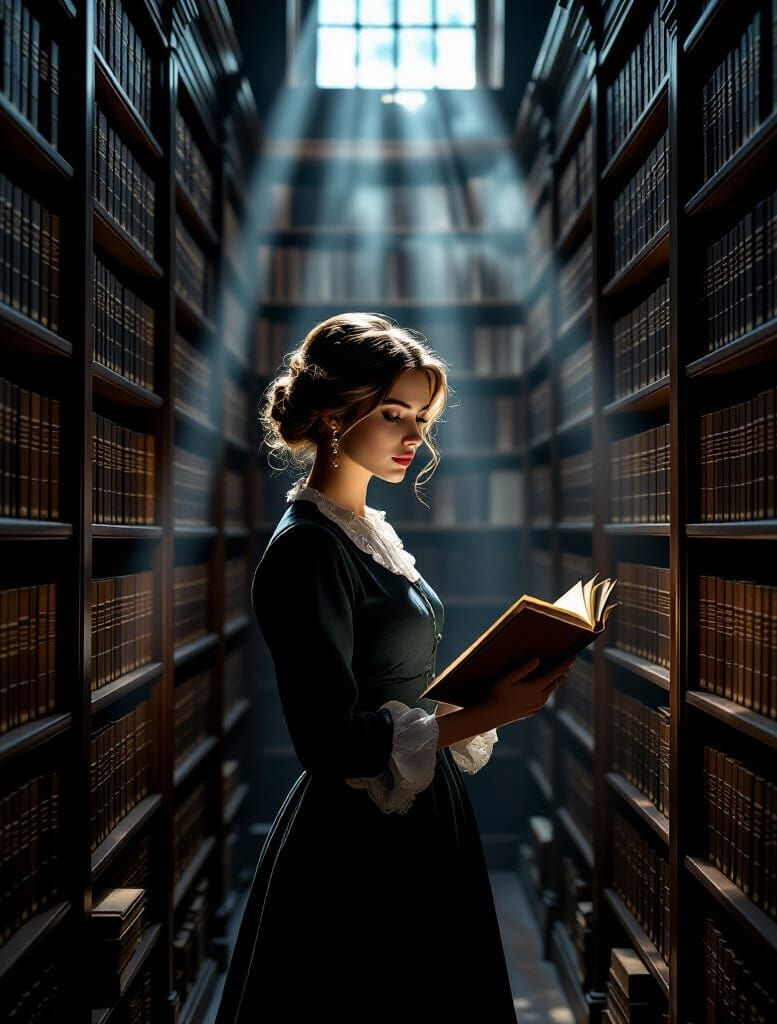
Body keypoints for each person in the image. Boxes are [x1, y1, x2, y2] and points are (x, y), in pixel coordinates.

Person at [214, 312, 577, 1023]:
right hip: (357, 838)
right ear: (330, 416)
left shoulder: (367, 531)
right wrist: (488, 715)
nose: (415, 436)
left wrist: (479, 688)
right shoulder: (307, 550)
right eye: (392, 414)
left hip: (422, 809)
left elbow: (398, 678)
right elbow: (328, 741)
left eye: (420, 417)